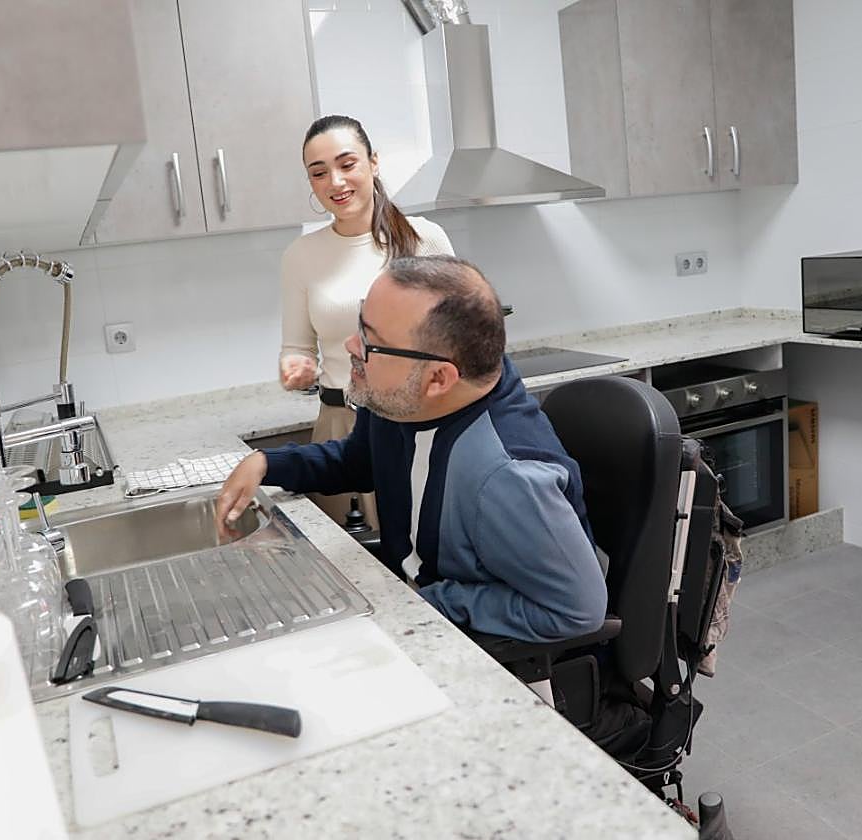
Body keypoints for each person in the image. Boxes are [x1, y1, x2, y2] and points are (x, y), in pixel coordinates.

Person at [218, 255, 607, 643]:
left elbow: (578, 610)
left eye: (372, 341)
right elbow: (360, 461)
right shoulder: (402, 399)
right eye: (360, 325)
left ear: (438, 377)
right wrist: (269, 463)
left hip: (472, 650)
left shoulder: (507, 476)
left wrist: (431, 601)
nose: (352, 346)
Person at [279, 114, 454, 526]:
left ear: (373, 162)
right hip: (336, 425)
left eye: (347, 164)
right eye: (319, 173)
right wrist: (295, 365)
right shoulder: (300, 256)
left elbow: (459, 339)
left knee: (411, 563)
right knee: (340, 570)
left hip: (411, 424)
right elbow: (297, 345)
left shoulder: (422, 238)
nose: (335, 182)